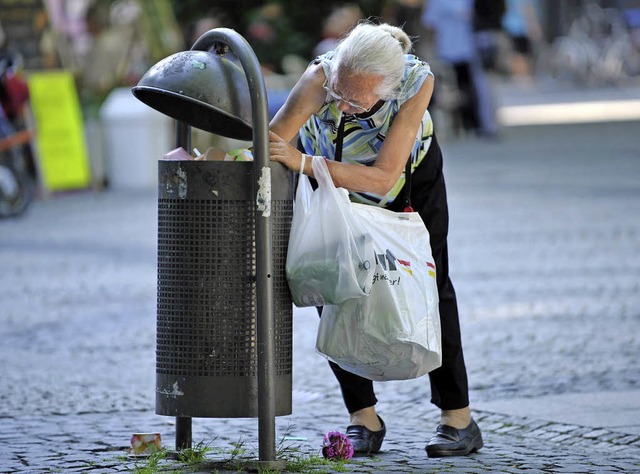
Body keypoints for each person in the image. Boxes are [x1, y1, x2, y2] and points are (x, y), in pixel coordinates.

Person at [269, 21, 483, 458]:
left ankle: (458, 418)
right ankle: (362, 418)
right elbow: (273, 141)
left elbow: (384, 178)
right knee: (330, 282)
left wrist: (303, 162)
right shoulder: (321, 77)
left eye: (357, 100)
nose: (343, 106)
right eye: (339, 94)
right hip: (328, 182)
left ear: (387, 88)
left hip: (406, 183)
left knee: (431, 285)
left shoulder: (416, 81)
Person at [421, 0, 498, 137]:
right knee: (462, 88)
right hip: (454, 49)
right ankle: (466, 125)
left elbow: (429, 23)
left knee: (466, 88)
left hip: (460, 49)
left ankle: (470, 124)